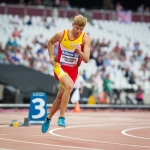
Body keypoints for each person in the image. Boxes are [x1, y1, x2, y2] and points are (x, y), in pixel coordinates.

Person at [41, 15, 90, 133]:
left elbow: (87, 59)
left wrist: (79, 52)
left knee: (59, 99)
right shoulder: (61, 34)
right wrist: (51, 55)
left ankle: (48, 118)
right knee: (69, 86)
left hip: (73, 71)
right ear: (73, 25)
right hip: (60, 67)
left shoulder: (85, 38)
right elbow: (50, 42)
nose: (79, 31)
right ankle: (62, 116)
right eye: (77, 28)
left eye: (81, 29)